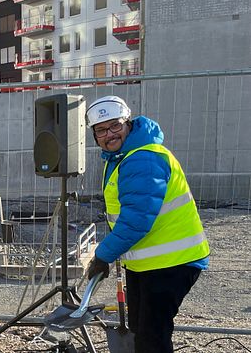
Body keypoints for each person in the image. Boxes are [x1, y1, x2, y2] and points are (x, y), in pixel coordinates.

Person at [84, 95, 210, 353]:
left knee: (152, 337)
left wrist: (103, 255)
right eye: (101, 130)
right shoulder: (123, 157)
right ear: (94, 136)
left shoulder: (143, 159)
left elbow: (136, 221)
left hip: (172, 262)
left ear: (128, 123)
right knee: (143, 332)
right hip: (150, 262)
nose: (110, 134)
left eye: (115, 126)